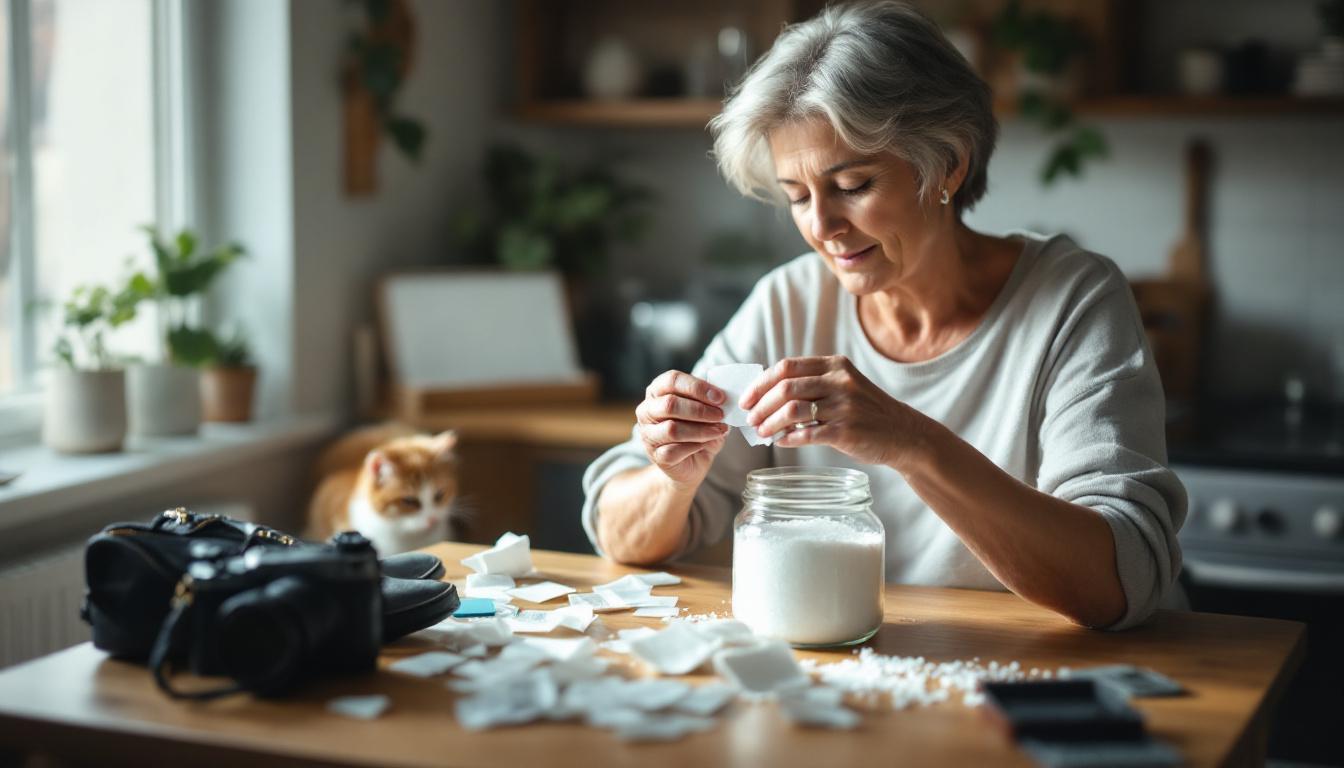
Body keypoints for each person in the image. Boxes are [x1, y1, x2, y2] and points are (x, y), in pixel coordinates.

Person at [580, 1, 1185, 630]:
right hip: (871, 677)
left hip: (1055, 685)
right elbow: (616, 532)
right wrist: (673, 481)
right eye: (797, 196)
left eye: (853, 186)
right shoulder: (787, 302)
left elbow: (1124, 577)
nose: (822, 227)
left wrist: (912, 443)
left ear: (947, 163)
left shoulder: (1071, 301)